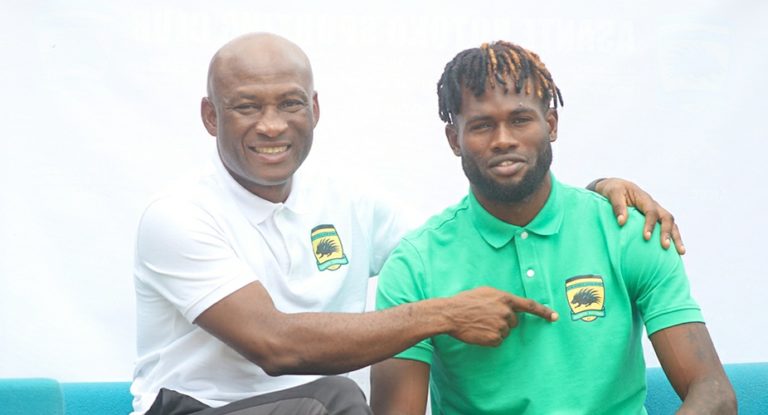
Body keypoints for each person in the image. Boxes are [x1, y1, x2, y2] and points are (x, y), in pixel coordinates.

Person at [131, 33, 688, 415]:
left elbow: (464, 241)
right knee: (336, 399)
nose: (272, 125)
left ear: (315, 111)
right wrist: (444, 314)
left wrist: (591, 201)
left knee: (330, 400)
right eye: (247, 107)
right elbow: (275, 345)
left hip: (315, 408)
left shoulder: (350, 202)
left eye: (290, 104)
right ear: (211, 116)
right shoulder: (178, 215)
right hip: (201, 408)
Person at [370, 40, 737, 414]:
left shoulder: (628, 231)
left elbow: (714, 394)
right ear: (455, 140)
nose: (503, 140)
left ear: (551, 124)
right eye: (481, 126)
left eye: (520, 120)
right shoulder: (416, 265)